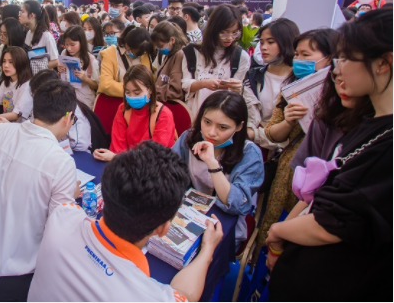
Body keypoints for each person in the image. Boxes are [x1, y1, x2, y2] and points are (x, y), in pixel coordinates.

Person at [267, 8, 392, 302]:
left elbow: (331, 222)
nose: (336, 69)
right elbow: (322, 195)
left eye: (347, 58)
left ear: (384, 63)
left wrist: (277, 231)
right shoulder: (369, 124)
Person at [28, 141, 223, 302]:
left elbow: (65, 201)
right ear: (163, 228)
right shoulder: (146, 296)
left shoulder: (61, 218)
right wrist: (207, 250)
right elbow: (186, 296)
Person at [0, 80, 80, 301]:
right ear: (67, 118)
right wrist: (71, 200)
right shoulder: (61, 162)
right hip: (20, 281)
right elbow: (59, 233)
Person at [256, 28, 337, 248]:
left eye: (306, 55)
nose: (299, 60)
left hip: (323, 181)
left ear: (329, 58)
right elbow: (272, 133)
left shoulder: (342, 96)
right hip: (287, 173)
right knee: (273, 228)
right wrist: (289, 122)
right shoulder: (291, 90)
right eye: (297, 54)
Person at [173, 91, 263, 246]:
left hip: (224, 225)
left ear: (239, 126)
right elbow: (169, 172)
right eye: (207, 122)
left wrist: (212, 163)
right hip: (186, 213)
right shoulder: (188, 139)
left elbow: (236, 204)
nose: (211, 132)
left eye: (222, 127)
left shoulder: (249, 154)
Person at [94, 65, 176, 161]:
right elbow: (118, 146)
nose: (132, 97)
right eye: (128, 92)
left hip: (156, 168)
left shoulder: (164, 114)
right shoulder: (123, 109)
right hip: (126, 165)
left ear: (150, 90)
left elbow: (155, 156)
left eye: (137, 93)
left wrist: (117, 158)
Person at [180, 4, 250, 114]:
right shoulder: (191, 52)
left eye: (235, 33)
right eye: (223, 32)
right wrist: (204, 84)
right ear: (213, 29)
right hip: (194, 113)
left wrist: (237, 88)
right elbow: (185, 85)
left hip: (223, 115)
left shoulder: (241, 56)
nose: (229, 38)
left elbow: (237, 95)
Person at [243, 19, 300, 149]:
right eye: (261, 42)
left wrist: (255, 135)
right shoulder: (252, 76)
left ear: (287, 42)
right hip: (255, 148)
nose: (263, 47)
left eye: (270, 42)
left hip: (286, 150)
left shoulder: (301, 81)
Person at [98, 26, 153, 98]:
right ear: (127, 45)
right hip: (117, 100)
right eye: (135, 52)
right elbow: (105, 84)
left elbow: (149, 80)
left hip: (141, 100)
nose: (138, 55)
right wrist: (136, 91)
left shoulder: (144, 54)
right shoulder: (110, 53)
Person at [0, 46, 34, 122]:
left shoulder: (27, 85)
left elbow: (16, 115)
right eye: (4, 61)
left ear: (21, 63)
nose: (6, 65)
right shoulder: (7, 81)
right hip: (6, 124)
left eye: (11, 62)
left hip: (20, 128)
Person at [58, 26, 100, 108]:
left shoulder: (91, 60)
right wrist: (60, 71)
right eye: (66, 44)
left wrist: (85, 78)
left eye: (72, 44)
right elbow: (61, 77)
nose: (69, 48)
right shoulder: (64, 53)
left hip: (84, 100)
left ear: (81, 42)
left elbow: (97, 86)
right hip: (66, 95)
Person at [152, 21, 189, 103]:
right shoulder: (170, 53)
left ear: (172, 40)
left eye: (160, 46)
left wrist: (153, 91)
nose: (158, 49)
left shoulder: (179, 55)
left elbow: (175, 91)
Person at [19, 0, 59, 69]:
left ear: (32, 15)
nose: (19, 15)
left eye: (22, 12)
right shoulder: (29, 33)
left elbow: (56, 61)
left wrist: (38, 67)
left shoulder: (46, 36)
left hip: (44, 77)